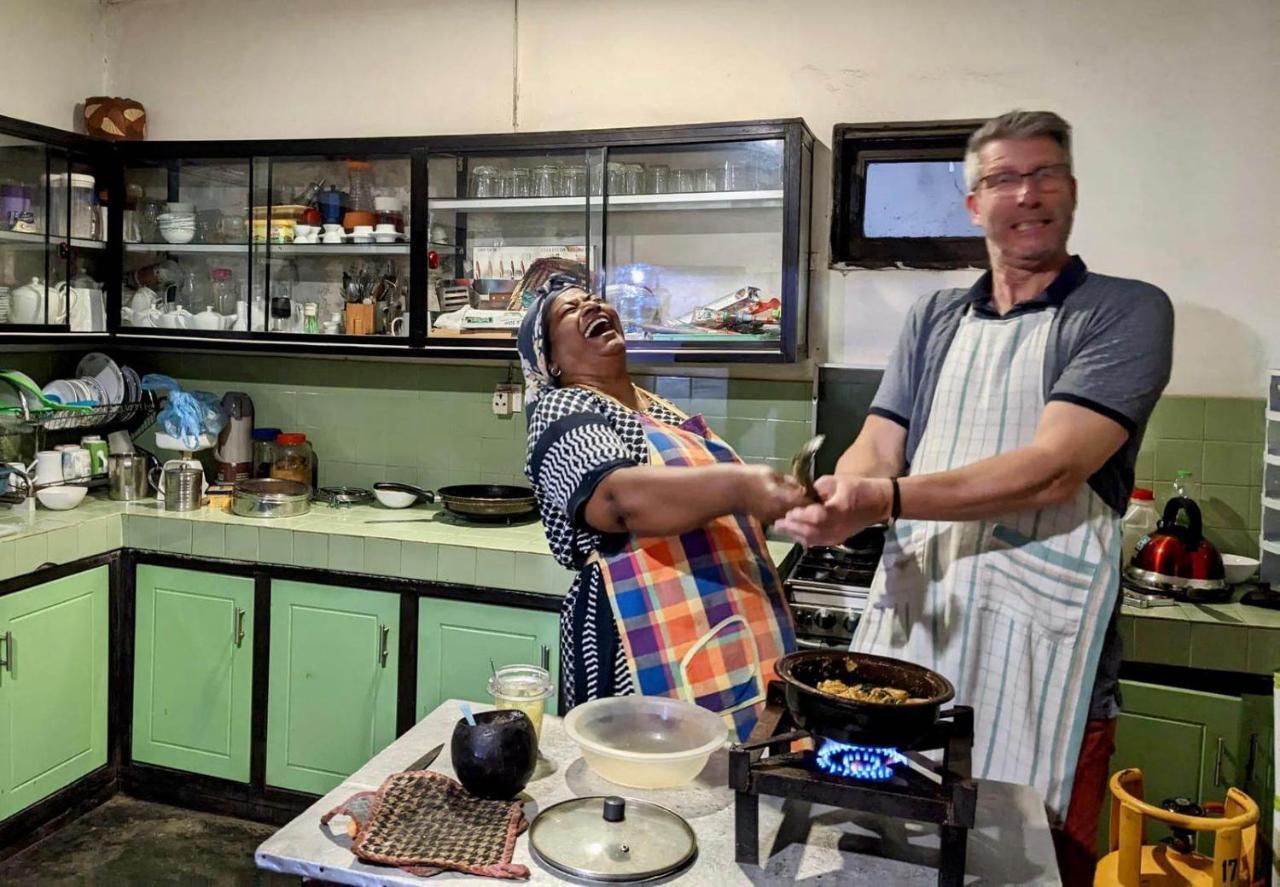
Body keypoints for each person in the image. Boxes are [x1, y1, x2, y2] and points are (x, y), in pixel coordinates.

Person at [776, 110, 1174, 885]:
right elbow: (878, 443)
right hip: (918, 638)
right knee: (897, 844)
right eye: (1002, 178)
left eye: (1045, 173)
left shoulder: (1126, 310)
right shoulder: (935, 318)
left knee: (1032, 856)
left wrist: (879, 498)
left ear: (1073, 190)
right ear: (973, 204)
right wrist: (837, 496)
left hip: (1046, 647)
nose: (1027, 193)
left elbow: (1053, 471)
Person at [519, 266, 808, 739]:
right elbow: (617, 499)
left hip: (720, 624)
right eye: (570, 310)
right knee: (639, 790)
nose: (591, 305)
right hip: (637, 633)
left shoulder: (659, 410)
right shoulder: (562, 407)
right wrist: (741, 488)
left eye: (593, 298)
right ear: (549, 362)